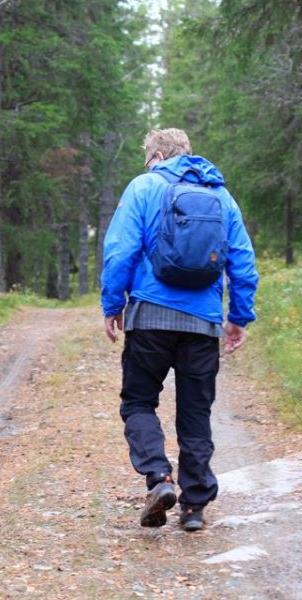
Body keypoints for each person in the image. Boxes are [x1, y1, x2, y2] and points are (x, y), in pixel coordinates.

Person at [101, 128, 258, 532]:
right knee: (195, 412)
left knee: (138, 402)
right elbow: (242, 261)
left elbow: (121, 250)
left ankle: (159, 478)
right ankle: (194, 507)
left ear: (154, 156)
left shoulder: (144, 187)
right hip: (203, 324)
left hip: (150, 318)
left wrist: (112, 304)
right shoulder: (221, 196)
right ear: (186, 154)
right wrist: (237, 318)